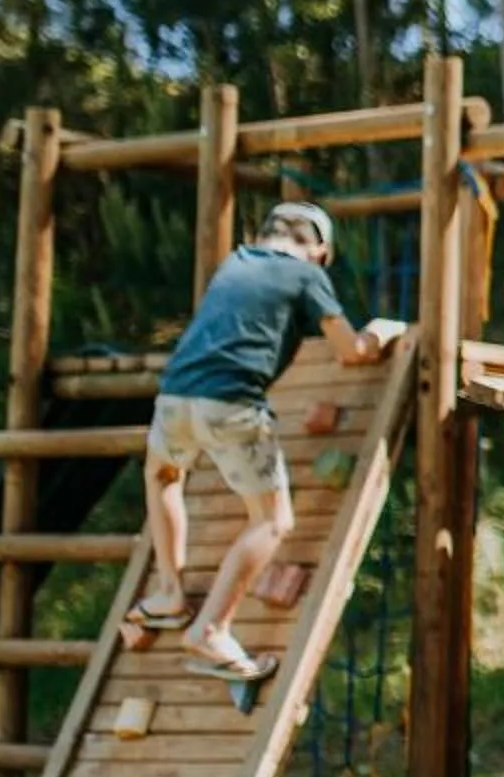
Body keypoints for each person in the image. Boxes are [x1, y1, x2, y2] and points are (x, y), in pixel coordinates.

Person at [130, 200, 391, 683]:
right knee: (273, 522)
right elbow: (351, 353)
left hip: (174, 396)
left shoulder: (235, 262)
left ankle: (169, 590)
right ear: (319, 250)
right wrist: (380, 332)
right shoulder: (307, 275)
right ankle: (211, 627)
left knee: (163, 475)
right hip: (230, 404)